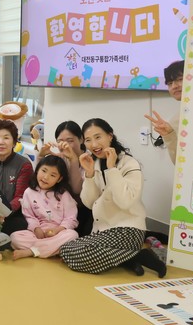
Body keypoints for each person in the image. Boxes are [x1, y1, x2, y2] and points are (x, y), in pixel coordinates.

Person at [59, 118, 166, 277]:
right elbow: (89, 203)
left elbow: (125, 202)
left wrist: (112, 169)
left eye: (98, 137)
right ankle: (132, 258)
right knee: (65, 250)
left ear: (110, 136)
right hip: (103, 231)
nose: (94, 144)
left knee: (82, 256)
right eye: (88, 140)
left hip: (128, 230)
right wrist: (89, 175)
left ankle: (136, 255)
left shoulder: (129, 163)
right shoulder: (94, 163)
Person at [10, 155, 79, 260]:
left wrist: (57, 230)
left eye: (53, 175)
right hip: (38, 233)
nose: (46, 177)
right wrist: (36, 229)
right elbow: (29, 216)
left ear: (59, 179)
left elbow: (71, 219)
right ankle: (52, 250)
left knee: (73, 235)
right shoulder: (29, 192)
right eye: (44, 171)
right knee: (14, 237)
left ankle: (32, 251)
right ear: (37, 170)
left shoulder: (64, 194)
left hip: (59, 233)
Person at [37, 121, 92, 236]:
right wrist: (41, 156)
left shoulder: (90, 159)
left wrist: (73, 160)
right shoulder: (60, 159)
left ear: (81, 139)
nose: (64, 145)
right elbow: (40, 181)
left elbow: (76, 190)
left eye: (70, 141)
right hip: (58, 208)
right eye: (60, 141)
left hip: (83, 210)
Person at [0, 119, 33, 235]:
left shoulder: (24, 165)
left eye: (6, 138)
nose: (1, 142)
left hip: (12, 213)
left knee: (20, 225)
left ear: (14, 143)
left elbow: (20, 197)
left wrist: (4, 212)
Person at [144, 60, 184, 165]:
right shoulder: (176, 119)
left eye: (180, 79)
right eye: (170, 83)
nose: (174, 86)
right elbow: (179, 162)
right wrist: (168, 134)